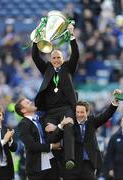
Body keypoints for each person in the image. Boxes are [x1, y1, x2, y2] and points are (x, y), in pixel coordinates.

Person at [46, 89, 123, 180]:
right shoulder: (69, 123)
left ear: (87, 112)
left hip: (88, 164)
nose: (79, 115)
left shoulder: (92, 121)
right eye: (77, 112)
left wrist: (114, 102)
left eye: (82, 112)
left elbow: (106, 115)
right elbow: (53, 138)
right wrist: (61, 125)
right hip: (71, 165)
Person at [32, 23, 79, 169]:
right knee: (50, 134)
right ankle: (56, 161)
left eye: (58, 57)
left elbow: (76, 54)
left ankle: (69, 159)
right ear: (50, 59)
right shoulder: (46, 69)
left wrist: (72, 36)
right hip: (50, 111)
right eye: (53, 58)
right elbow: (35, 56)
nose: (56, 60)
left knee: (69, 127)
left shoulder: (67, 68)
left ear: (63, 59)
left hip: (66, 109)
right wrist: (36, 40)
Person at [15, 97, 62, 180]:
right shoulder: (23, 124)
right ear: (23, 110)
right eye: (28, 103)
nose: (32, 102)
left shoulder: (42, 119)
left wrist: (58, 127)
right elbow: (31, 146)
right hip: (36, 167)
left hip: (52, 162)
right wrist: (51, 146)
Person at [103, 114, 123, 180]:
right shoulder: (114, 137)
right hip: (118, 170)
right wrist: (110, 168)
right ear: (121, 123)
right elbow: (109, 155)